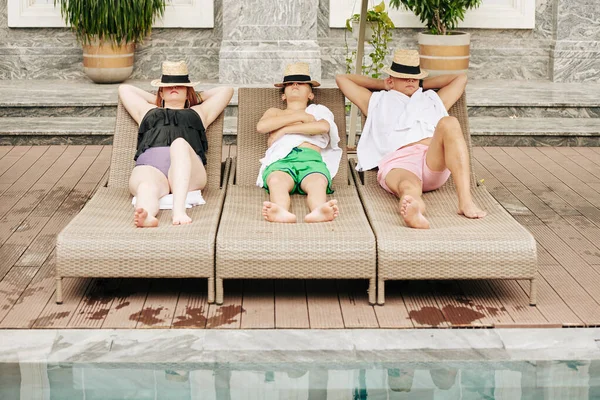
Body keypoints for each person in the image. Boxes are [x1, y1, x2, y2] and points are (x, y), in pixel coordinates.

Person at [336, 49, 486, 229]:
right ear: (391, 78)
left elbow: (460, 78)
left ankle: (465, 201)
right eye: (404, 76)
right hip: (399, 162)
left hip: (432, 158)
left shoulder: (432, 99)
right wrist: (384, 84)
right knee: (408, 188)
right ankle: (415, 212)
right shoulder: (375, 101)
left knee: (450, 122)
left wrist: (420, 84)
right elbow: (342, 79)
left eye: (413, 77)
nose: (410, 80)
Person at [118, 60, 233, 227]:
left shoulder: (199, 112)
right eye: (168, 86)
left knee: (179, 143)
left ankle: (178, 211)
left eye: (180, 86)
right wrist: (159, 100)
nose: (174, 88)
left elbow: (226, 90)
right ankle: (147, 216)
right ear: (161, 92)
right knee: (146, 187)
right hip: (151, 168)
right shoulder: (146, 112)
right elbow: (124, 89)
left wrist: (196, 98)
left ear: (188, 92)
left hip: (189, 170)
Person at [256, 62, 342, 223]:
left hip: (311, 159)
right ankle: (280, 210)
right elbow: (262, 126)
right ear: (283, 95)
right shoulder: (274, 112)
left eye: (301, 83)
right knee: (276, 181)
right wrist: (299, 118)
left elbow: (323, 127)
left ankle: (319, 210)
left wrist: (284, 130)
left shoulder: (318, 110)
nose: (295, 85)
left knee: (317, 182)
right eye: (290, 83)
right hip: (281, 160)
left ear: (310, 95)